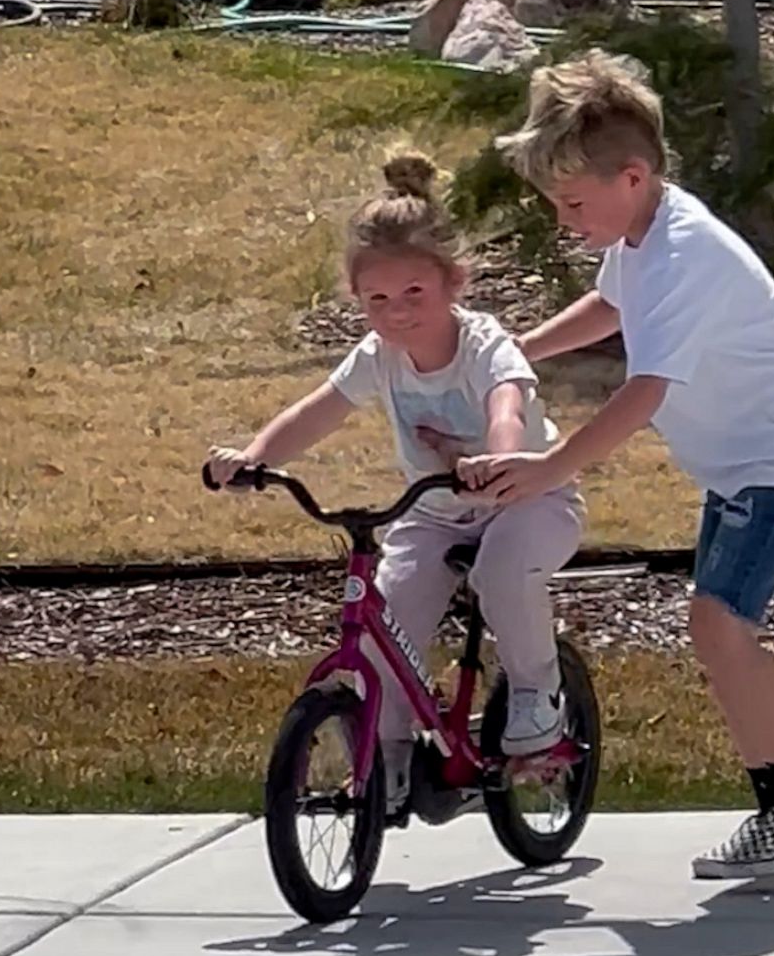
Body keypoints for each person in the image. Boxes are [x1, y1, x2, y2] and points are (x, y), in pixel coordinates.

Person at [460, 50, 774, 879]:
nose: (563, 218)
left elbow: (643, 392)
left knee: (719, 626)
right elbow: (610, 304)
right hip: (747, 465)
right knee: (717, 627)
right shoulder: (643, 236)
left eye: (571, 202)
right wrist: (518, 352)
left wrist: (549, 467)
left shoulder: (683, 254)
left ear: (632, 176)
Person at [205, 151, 584, 824]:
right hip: (436, 513)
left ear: (454, 283)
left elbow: (506, 403)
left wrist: (496, 460)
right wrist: (254, 457)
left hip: (529, 499)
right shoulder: (379, 356)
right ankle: (390, 753)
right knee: (386, 613)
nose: (398, 312)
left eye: (415, 294)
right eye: (378, 299)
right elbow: (318, 409)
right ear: (358, 300)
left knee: (502, 574)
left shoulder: (486, 345)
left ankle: (537, 694)